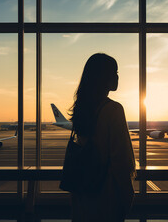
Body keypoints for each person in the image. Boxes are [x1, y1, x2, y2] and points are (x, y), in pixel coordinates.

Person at [69, 53, 136, 222]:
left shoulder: (83, 109)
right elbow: (120, 160)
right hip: (107, 196)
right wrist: (128, 196)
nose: (117, 77)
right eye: (114, 72)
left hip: (83, 195)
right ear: (103, 77)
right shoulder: (113, 109)